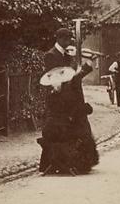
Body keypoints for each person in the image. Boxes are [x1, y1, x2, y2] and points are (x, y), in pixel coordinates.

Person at [37, 27, 99, 175]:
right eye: (67, 39)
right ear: (59, 39)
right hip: (60, 99)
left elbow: (72, 77)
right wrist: (79, 71)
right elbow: (55, 78)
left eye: (70, 39)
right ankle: (64, 163)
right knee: (70, 130)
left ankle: (81, 164)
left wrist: (83, 69)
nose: (69, 42)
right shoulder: (50, 55)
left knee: (81, 127)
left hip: (72, 97)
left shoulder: (66, 55)